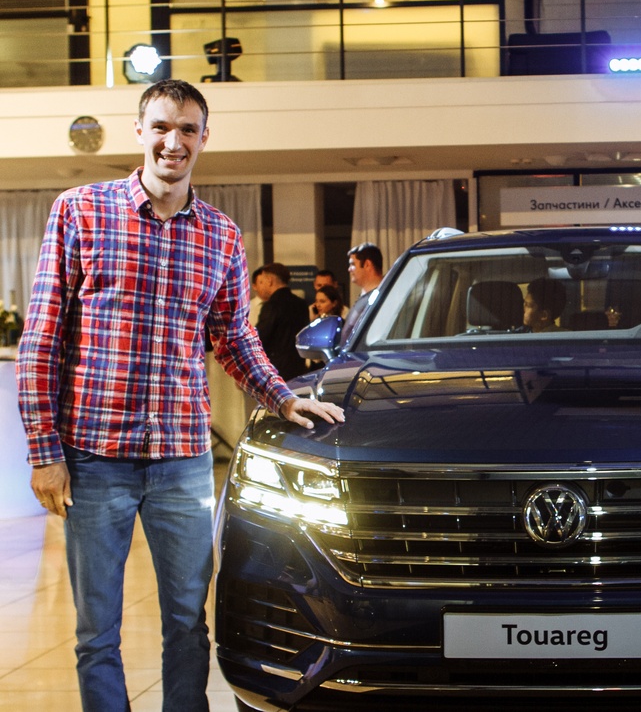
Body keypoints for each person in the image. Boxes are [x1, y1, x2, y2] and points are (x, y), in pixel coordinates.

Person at [15, 78, 345, 712]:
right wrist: (44, 452)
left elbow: (233, 337)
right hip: (94, 454)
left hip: (183, 460)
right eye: (162, 127)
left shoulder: (221, 234)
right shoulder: (80, 210)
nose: (174, 141)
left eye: (188, 129)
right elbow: (42, 337)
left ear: (204, 138)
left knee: (188, 624)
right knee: (96, 632)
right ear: (140, 131)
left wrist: (283, 399)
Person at [254, 262, 311, 381]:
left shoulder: (271, 306)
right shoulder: (301, 304)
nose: (261, 286)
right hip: (298, 368)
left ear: (270, 281)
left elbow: (260, 338)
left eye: (263, 282)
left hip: (275, 371)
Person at [339, 241, 384, 344]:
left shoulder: (383, 298)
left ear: (367, 264)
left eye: (352, 264)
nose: (349, 269)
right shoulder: (367, 297)